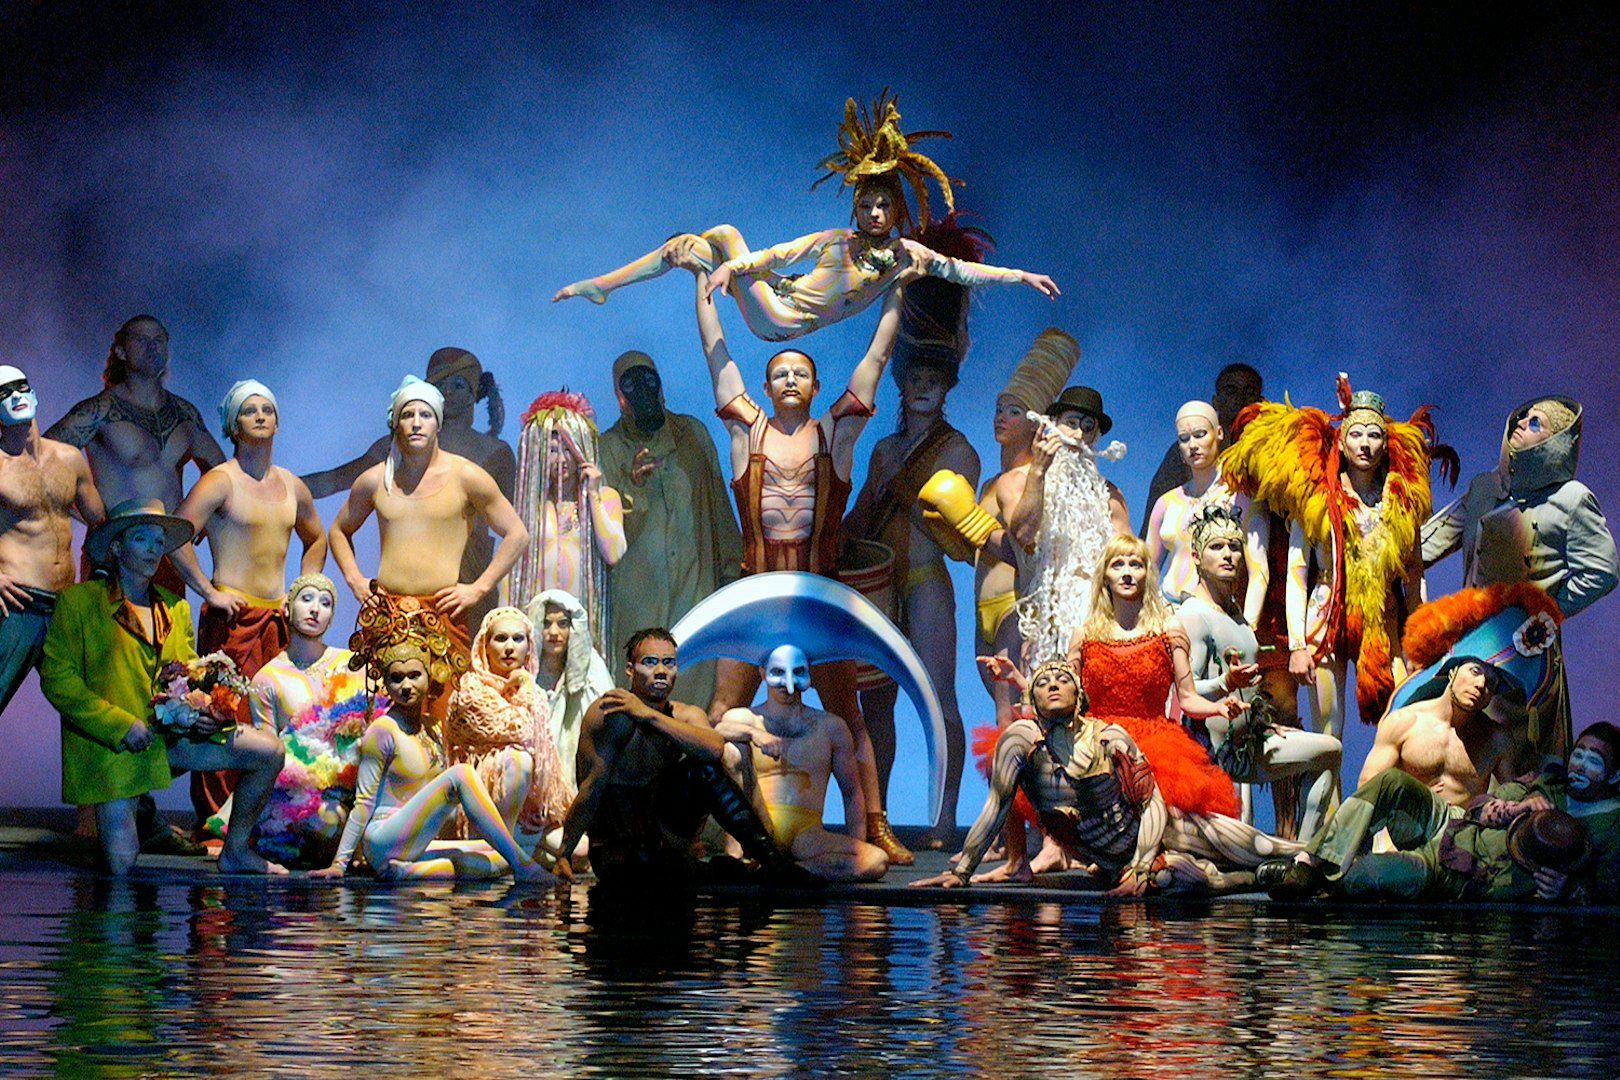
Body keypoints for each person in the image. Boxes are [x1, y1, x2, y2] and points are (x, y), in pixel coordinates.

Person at [684, 245, 913, 864]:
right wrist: (704, 287)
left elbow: (874, 360)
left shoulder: (833, 433)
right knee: (720, 711)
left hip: (819, 594)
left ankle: (875, 823)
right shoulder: (746, 431)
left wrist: (896, 292)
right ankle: (712, 829)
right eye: (779, 371)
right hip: (755, 591)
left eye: (800, 373)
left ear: (814, 386)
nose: (788, 378)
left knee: (849, 714)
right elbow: (718, 359)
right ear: (766, 384)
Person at [554, 91, 1057, 341]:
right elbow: (778, 253)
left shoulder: (909, 255)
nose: (876, 212)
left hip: (780, 319)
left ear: (895, 210)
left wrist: (1021, 274)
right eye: (867, 205)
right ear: (856, 208)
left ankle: (693, 261)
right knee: (697, 248)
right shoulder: (835, 240)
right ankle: (608, 283)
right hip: (775, 294)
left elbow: (964, 270)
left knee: (721, 238)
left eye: (884, 205)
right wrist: (732, 267)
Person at [39, 499, 287, 875]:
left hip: (165, 739)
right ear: (118, 548)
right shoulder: (79, 602)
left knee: (267, 750)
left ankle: (234, 851)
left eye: (159, 541)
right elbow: (58, 679)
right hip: (114, 747)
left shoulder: (174, 607)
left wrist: (203, 714)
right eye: (142, 539)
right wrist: (119, 725)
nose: (154, 549)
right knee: (121, 866)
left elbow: (187, 678)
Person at [913, 659, 1300, 894]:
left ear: (1080, 695)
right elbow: (996, 807)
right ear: (1031, 698)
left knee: (1255, 848)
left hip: (1158, 831)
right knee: (1179, 882)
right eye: (1043, 681)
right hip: (1113, 860)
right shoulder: (1020, 743)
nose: (1052, 684)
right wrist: (961, 870)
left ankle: (1310, 858)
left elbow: (1152, 806)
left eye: (1062, 679)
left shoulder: (1109, 737)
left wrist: (1143, 864)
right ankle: (1244, 882)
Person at [1221, 375, 1452, 756]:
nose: (1365, 443)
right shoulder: (1316, 497)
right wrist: (1297, 646)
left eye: (1374, 435)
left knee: (1404, 728)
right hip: (1326, 622)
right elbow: (1297, 571)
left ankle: (1386, 813)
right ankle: (1327, 817)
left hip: (1384, 624)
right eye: (1357, 434)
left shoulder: (1402, 503)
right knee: (1329, 739)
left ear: (1386, 443)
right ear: (1341, 442)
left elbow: (1414, 578)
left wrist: (1421, 643)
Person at [842, 243, 982, 847]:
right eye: (916, 377)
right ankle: (876, 817)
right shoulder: (882, 449)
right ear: (905, 385)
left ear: (946, 388)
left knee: (937, 698)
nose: (925, 386)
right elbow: (857, 518)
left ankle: (946, 815)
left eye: (934, 378)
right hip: (878, 583)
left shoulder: (959, 450)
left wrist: (907, 491)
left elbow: (955, 534)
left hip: (925, 582)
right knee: (876, 708)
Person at [170, 379, 326, 837]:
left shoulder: (292, 485)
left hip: (276, 619)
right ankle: (217, 824)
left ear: (277, 421)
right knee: (223, 718)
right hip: (231, 619)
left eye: (267, 409)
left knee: (276, 721)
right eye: (249, 411)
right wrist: (208, 591)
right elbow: (176, 534)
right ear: (233, 426)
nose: (260, 416)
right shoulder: (220, 480)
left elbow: (315, 537)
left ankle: (263, 822)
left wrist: (303, 592)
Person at [1421, 396, 1617, 760]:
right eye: (1523, 417)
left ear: (1553, 442)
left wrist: (1546, 610)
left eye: (1535, 422)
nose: (1522, 422)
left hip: (1526, 653)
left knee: (1524, 757)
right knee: (1463, 749)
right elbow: (1431, 540)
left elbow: (1602, 571)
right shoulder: (1485, 488)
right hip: (1471, 642)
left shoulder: (1571, 499)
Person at [326, 375, 530, 717]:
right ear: (395, 423)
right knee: (382, 718)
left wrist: (478, 588)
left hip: (443, 615)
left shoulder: (466, 475)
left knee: (443, 714)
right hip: (388, 616)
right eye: (408, 415)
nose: (417, 423)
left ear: (438, 422)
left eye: (425, 415)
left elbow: (516, 534)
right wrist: (356, 580)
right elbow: (338, 530)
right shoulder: (377, 478)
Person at [552, 628, 811, 886]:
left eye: (669, 663)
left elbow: (714, 750)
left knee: (704, 768)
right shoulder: (611, 713)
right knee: (646, 859)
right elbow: (591, 789)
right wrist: (564, 854)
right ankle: (727, 872)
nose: (661, 671)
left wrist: (649, 715)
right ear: (630, 670)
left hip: (664, 833)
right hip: (617, 846)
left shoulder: (685, 714)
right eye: (650, 662)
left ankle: (771, 861)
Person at [317, 602, 552, 882]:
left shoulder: (432, 727)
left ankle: (408, 872)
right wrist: (339, 864)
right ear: (386, 683)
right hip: (383, 839)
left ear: (430, 677)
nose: (406, 685)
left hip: (415, 842)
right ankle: (524, 869)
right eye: (396, 678)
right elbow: (363, 803)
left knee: (500, 856)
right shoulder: (383, 730)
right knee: (461, 776)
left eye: (414, 675)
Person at [1267, 723, 1620, 903]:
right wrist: (1515, 807)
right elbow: (1479, 808)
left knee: (1371, 876)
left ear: (1614, 775)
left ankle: (1308, 879)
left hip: (1462, 871)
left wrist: (1571, 890)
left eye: (1594, 761)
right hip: (1451, 823)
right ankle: (1312, 862)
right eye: (1579, 753)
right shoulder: (1549, 784)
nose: (1579, 765)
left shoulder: (1611, 827)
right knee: (1392, 782)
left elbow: (1609, 885)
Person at [304, 347, 518, 636]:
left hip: (459, 590)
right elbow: (335, 485)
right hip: (391, 608)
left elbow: (518, 527)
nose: (449, 393)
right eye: (440, 386)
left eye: (457, 385)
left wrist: (479, 587)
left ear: (473, 393)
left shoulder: (490, 456)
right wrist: (356, 580)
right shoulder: (385, 461)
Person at [1176, 504, 1342, 839]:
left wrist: (1264, 722)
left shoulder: (1236, 616)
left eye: (1234, 547)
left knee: (1329, 750)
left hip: (1252, 742)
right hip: (1216, 753)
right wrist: (1225, 682)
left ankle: (1302, 851)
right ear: (1196, 557)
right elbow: (1188, 694)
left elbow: (1246, 692)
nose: (1228, 555)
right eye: (1216, 547)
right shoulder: (1194, 615)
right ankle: (1296, 852)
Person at [597, 350, 742, 708]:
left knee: (694, 679)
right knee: (640, 684)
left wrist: (733, 570)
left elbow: (718, 504)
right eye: (630, 384)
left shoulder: (692, 434)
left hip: (694, 583)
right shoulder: (609, 446)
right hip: (638, 589)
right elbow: (606, 531)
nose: (642, 391)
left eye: (649, 380)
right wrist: (632, 487)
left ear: (661, 387)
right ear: (619, 398)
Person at [44, 315, 226, 595]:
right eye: (141, 339)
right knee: (106, 636)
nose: (152, 347)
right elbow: (35, 461)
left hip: (169, 553)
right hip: (114, 552)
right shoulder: (98, 411)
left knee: (168, 636)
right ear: (120, 350)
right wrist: (89, 515)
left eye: (159, 340)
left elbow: (226, 475)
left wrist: (204, 516)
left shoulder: (185, 415)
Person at [967, 330, 1077, 732]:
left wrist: (976, 531)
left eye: (1013, 410)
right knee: (1004, 719)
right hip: (984, 608)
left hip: (1016, 606)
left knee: (1014, 722)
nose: (1001, 416)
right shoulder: (992, 483)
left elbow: (1025, 545)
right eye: (999, 408)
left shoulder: (1029, 479)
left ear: (1034, 424)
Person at [715, 645, 889, 881]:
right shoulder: (744, 719)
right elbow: (718, 730)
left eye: (797, 672)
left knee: (876, 861)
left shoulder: (830, 727)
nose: (788, 684)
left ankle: (782, 871)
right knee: (731, 750)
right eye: (778, 672)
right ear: (763, 673)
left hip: (806, 836)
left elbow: (852, 793)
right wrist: (755, 734)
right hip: (755, 827)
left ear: (809, 674)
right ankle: (737, 855)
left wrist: (854, 848)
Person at [238, 572, 372, 868]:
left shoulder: (351, 664)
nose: (315, 609)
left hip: (355, 786)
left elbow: (371, 725)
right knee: (320, 824)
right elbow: (266, 753)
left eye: (325, 603)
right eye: (306, 599)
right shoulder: (267, 679)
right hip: (298, 796)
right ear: (287, 607)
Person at [0, 363, 106, 714]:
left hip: (64, 605)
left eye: (19, 387)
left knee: (92, 706)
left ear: (33, 392)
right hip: (17, 605)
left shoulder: (68, 457)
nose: (15, 397)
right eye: (4, 393)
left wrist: (100, 578)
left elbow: (99, 519)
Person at [1008, 384, 1131, 663]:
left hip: (1098, 620)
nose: (1078, 435)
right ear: (1052, 425)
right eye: (1071, 424)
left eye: (1088, 427)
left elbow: (1129, 558)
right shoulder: (1025, 480)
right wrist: (1039, 471)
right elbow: (1023, 533)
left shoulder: (1110, 495)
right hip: (1047, 616)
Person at [506, 390, 626, 650]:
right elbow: (510, 572)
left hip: (584, 623)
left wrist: (592, 494)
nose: (560, 459)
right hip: (536, 623)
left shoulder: (606, 497)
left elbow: (614, 553)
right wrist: (506, 622)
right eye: (551, 450)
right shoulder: (530, 508)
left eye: (567, 448)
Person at [444, 606, 571, 845]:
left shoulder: (532, 689)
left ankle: (513, 846)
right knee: (519, 759)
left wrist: (525, 684)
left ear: (528, 647)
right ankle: (503, 845)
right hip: (482, 802)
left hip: (525, 807)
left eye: (518, 639)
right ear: (485, 645)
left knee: (580, 850)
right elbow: (521, 731)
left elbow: (542, 748)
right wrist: (526, 686)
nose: (510, 647)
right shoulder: (470, 690)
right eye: (501, 638)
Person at [1145, 400, 1266, 611]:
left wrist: (1248, 629)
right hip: (1167, 613)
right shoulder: (1165, 503)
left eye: (1200, 434)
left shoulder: (1240, 498)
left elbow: (1259, 571)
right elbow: (1146, 572)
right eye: (1184, 438)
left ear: (1218, 433)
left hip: (1219, 619)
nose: (1192, 445)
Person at [1361, 658, 1525, 804]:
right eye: (1475, 671)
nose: (1481, 684)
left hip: (1464, 829)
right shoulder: (1404, 722)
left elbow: (1513, 795)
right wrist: (1410, 800)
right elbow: (1367, 787)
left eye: (1491, 683)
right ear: (1452, 671)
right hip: (1411, 823)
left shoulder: (1497, 739)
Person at [1139, 363, 1264, 536]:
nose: (1240, 398)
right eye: (1230, 391)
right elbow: (1150, 527)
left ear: (1261, 402)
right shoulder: (1186, 452)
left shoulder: (1271, 451)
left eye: (1249, 392)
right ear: (1215, 402)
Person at [525, 588, 616, 800]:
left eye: (562, 624)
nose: (554, 632)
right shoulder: (524, 670)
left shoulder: (591, 665)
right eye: (546, 623)